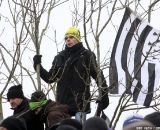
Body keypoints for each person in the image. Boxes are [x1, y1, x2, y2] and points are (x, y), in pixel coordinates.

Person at [33, 27, 109, 122]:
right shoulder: (59, 57)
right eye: (66, 38)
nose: (68, 39)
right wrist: (37, 66)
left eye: (71, 37)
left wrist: (104, 95)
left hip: (80, 104)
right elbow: (50, 78)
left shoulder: (86, 55)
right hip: (62, 105)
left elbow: (99, 76)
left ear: (78, 38)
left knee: (78, 127)